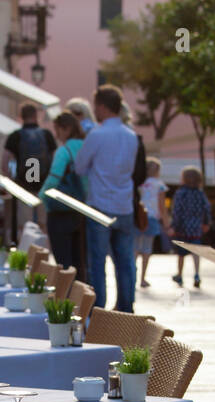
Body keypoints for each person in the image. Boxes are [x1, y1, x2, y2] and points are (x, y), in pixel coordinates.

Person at [75, 84, 143, 313]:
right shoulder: (131, 136)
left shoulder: (97, 134)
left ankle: (99, 310)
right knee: (124, 261)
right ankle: (126, 307)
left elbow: (80, 167)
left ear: (102, 107)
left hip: (100, 204)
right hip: (124, 204)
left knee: (97, 262)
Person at [37, 111, 88, 278]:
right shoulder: (86, 146)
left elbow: (53, 179)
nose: (56, 134)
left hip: (60, 211)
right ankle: (82, 299)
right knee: (80, 262)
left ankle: (65, 300)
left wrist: (41, 197)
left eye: (57, 129)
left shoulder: (64, 151)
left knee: (63, 262)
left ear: (66, 129)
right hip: (83, 210)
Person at [3, 102, 57, 227]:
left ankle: (26, 246)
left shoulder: (15, 136)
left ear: (21, 116)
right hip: (43, 186)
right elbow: (54, 161)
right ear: (36, 115)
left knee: (24, 226)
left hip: (23, 187)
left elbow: (4, 164)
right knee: (43, 225)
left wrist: (12, 181)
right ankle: (42, 246)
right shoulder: (46, 135)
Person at [169, 166, 210, 287]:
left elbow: (177, 211)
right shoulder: (200, 193)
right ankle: (197, 274)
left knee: (181, 253)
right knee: (196, 252)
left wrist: (174, 226)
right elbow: (206, 208)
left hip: (183, 228)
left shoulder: (180, 193)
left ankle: (180, 275)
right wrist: (206, 223)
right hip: (196, 227)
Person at [135, 158, 167, 287]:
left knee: (135, 248)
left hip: (139, 217)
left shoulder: (140, 183)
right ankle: (142, 278)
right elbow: (162, 205)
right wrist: (167, 222)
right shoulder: (160, 185)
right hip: (152, 218)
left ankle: (133, 275)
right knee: (147, 249)